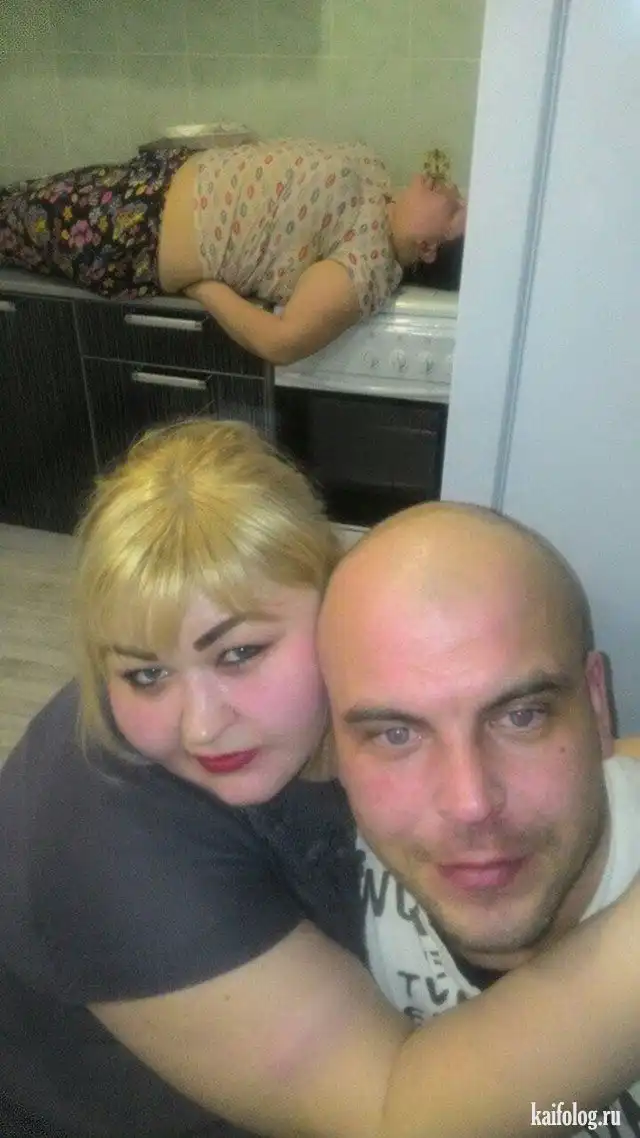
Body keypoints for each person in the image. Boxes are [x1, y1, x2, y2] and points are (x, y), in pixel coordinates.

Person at [3, 422, 640, 1138]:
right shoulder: (99, 835)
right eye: (145, 674)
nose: (202, 728)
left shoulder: (343, 709)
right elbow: (394, 1118)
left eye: (239, 653)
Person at [318, 500, 640, 1138]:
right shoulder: (308, 879)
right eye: (396, 734)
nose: (470, 804)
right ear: (332, 748)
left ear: (598, 704)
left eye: (521, 716)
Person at [0, 139, 466, 365]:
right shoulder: (381, 186)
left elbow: (282, 342)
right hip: (153, 179)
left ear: (428, 248)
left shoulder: (367, 264)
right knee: (14, 199)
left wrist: (205, 290)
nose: (450, 190)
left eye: (454, 209)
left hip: (134, 228)